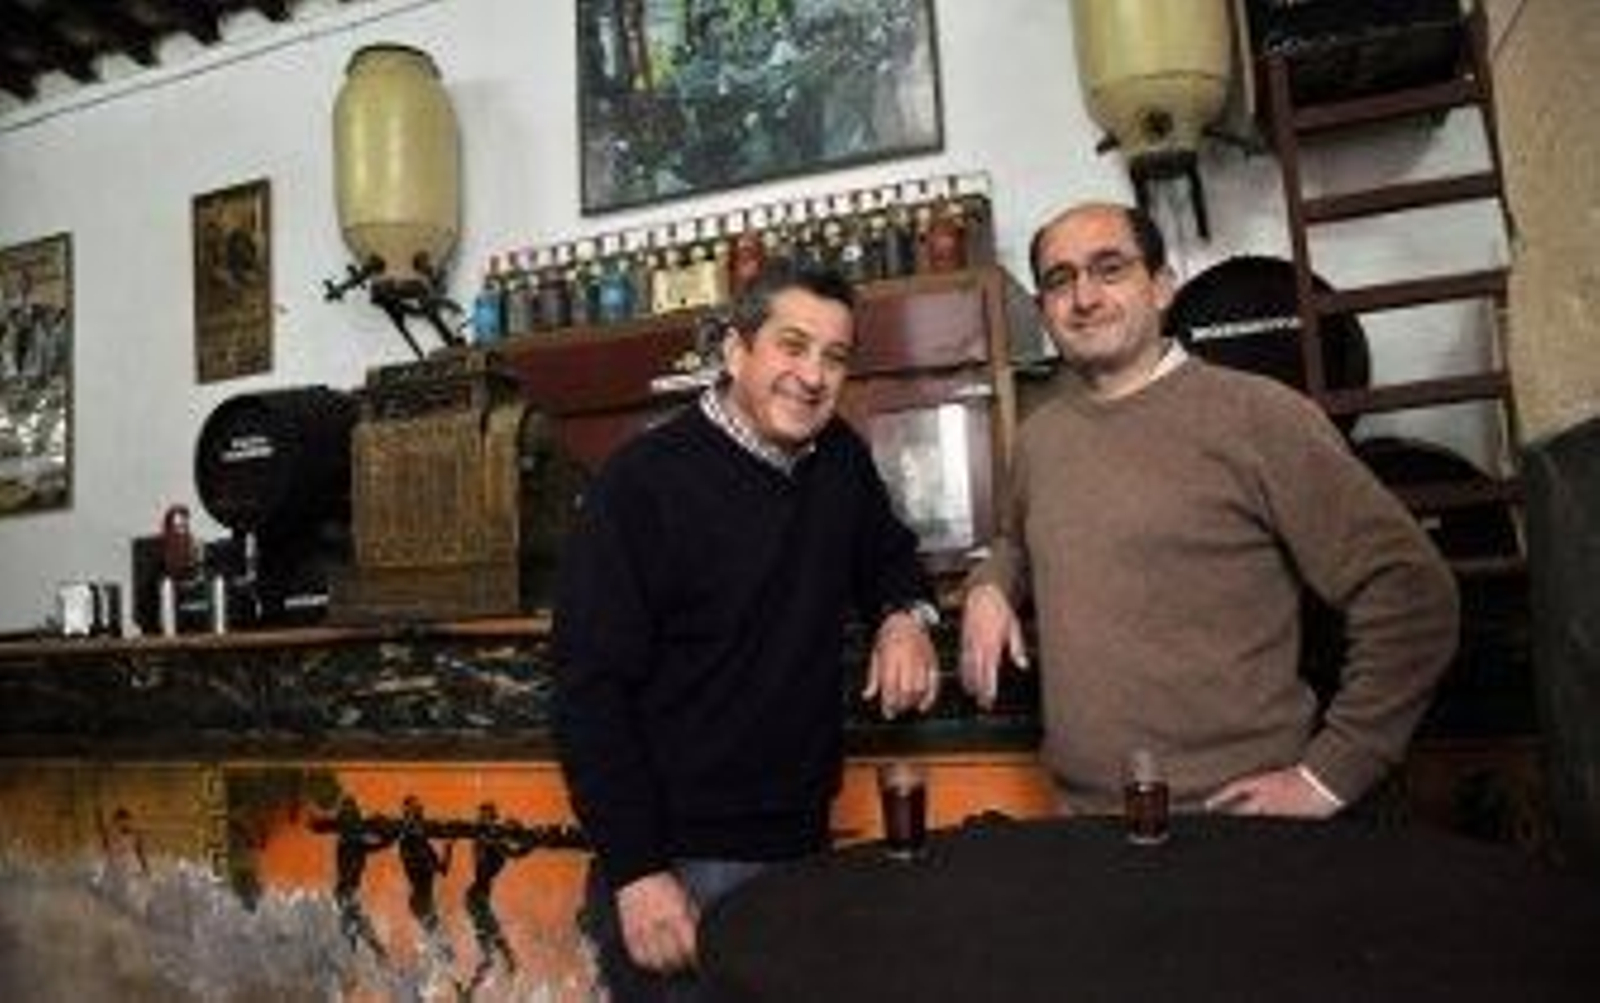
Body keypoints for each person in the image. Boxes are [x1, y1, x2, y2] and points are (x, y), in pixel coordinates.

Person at [961, 201, 1459, 819]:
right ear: (1044, 310)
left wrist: (1330, 775)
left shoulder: (1258, 415)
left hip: (1232, 823)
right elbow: (1017, 541)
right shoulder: (1042, 437)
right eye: (1060, 280)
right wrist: (991, 586)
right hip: (1084, 820)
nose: (1084, 297)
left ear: (1161, 287)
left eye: (1110, 269)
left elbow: (1411, 590)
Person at [553, 260, 941, 999]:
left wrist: (903, 616)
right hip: (678, 865)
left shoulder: (840, 459)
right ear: (735, 350)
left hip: (801, 847)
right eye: (792, 346)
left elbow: (891, 557)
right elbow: (588, 694)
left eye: (834, 357)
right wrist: (637, 871)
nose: (813, 376)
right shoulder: (640, 483)